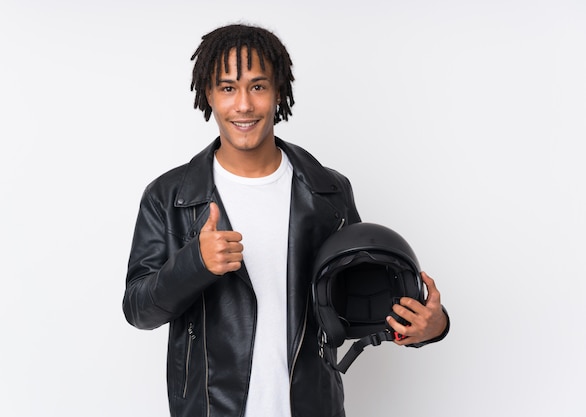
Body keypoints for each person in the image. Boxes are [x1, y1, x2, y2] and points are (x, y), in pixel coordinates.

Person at [123, 23, 449, 417]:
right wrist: (195, 264)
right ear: (208, 95)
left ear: (278, 92)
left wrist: (429, 329)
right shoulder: (169, 196)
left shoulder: (327, 191)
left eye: (258, 87)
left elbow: (361, 297)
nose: (243, 105)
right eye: (227, 88)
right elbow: (138, 310)